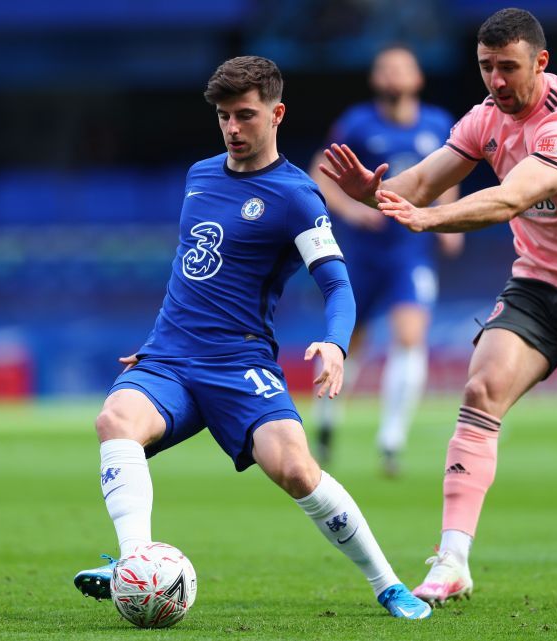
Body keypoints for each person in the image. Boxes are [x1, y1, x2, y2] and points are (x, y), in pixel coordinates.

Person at [320, 8, 557, 607]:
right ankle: (452, 560)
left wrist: (430, 218)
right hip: (537, 283)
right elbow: (420, 182)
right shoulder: (484, 118)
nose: (495, 80)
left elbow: (511, 198)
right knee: (481, 391)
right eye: (485, 67)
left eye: (507, 67)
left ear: (540, 63)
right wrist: (376, 193)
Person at [73, 56, 431, 620]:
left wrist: (336, 343)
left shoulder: (297, 196)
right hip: (170, 358)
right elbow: (193, 268)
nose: (233, 129)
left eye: (245, 115)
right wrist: (159, 339)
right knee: (115, 420)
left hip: (239, 364)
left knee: (295, 470)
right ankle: (135, 562)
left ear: (277, 113)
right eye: (223, 117)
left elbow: (338, 285)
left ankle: (388, 583)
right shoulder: (200, 175)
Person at [309, 45, 463, 475]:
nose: (394, 75)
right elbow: (318, 170)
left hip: (409, 250)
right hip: (361, 251)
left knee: (410, 336)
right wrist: (354, 210)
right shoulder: (357, 123)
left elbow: (448, 174)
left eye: (402, 67)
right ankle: (325, 423)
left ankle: (391, 442)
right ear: (376, 79)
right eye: (385, 68)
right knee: (349, 340)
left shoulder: (436, 124)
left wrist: (444, 220)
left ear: (418, 78)